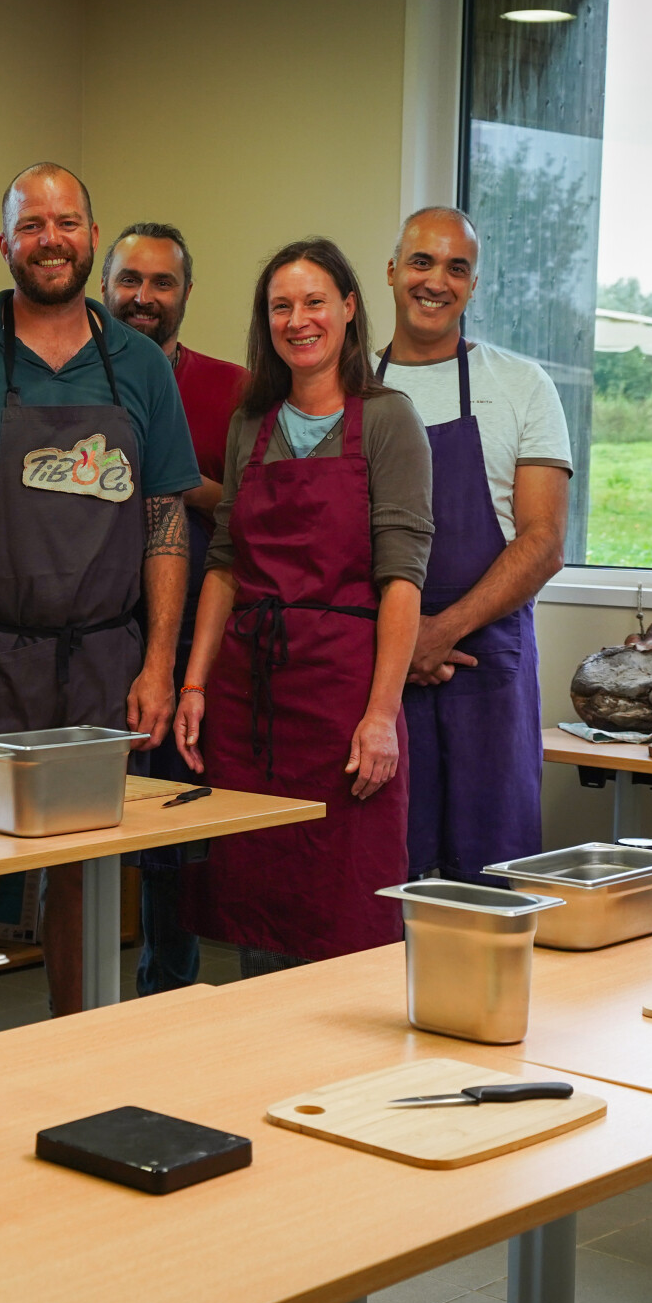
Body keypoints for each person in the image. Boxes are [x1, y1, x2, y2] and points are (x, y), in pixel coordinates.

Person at [0, 164, 201, 1026]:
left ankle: (77, 1054)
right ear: (5, 245)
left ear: (91, 238)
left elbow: (163, 513)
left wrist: (158, 662)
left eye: (66, 222)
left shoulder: (138, 364)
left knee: (85, 872)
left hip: (103, 659)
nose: (51, 239)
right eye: (32, 225)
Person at [175, 239, 431, 972]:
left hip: (345, 704)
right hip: (250, 702)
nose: (298, 320)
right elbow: (223, 564)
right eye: (281, 306)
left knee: (346, 906)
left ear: (349, 309)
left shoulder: (387, 420)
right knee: (256, 902)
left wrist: (382, 715)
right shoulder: (251, 423)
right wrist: (194, 683)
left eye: (314, 301)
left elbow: (403, 580)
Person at [378, 208, 569, 883]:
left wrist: (440, 631)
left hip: (488, 668)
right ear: (393, 271)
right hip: (378, 674)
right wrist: (402, 642)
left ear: (474, 283)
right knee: (383, 879)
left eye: (456, 267)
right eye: (423, 262)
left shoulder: (522, 386)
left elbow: (544, 542)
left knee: (493, 881)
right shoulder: (351, 392)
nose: (437, 281)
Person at [101, 222, 243, 995]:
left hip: (188, 643)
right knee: (79, 839)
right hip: (88, 640)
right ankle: (81, 1010)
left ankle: (167, 997)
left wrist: (176, 476)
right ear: (104, 287)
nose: (144, 297)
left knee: (172, 841)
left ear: (186, 293)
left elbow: (254, 515)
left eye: (162, 283)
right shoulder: (71, 374)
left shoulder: (231, 388)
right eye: (130, 280)